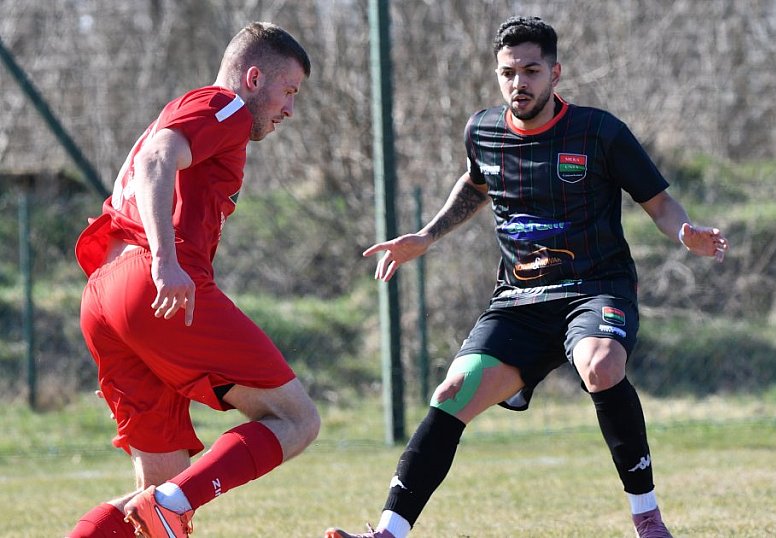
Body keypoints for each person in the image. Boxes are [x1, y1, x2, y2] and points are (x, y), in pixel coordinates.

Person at [325, 15, 728, 538]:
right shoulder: (483, 130)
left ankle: (647, 520)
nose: (519, 83)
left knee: (601, 364)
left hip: (595, 287)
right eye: (508, 73)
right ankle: (388, 532)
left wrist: (685, 233)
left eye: (531, 71)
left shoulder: (599, 132)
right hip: (520, 298)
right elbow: (476, 183)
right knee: (451, 391)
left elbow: (660, 203)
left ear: (555, 73)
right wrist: (425, 236)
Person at [67, 22, 319, 538]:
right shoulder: (224, 106)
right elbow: (157, 159)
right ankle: (171, 506)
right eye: (288, 91)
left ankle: (165, 505)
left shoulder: (187, 112)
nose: (290, 109)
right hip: (152, 283)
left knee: (156, 494)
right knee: (296, 420)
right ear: (253, 78)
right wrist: (164, 260)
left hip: (107, 295)